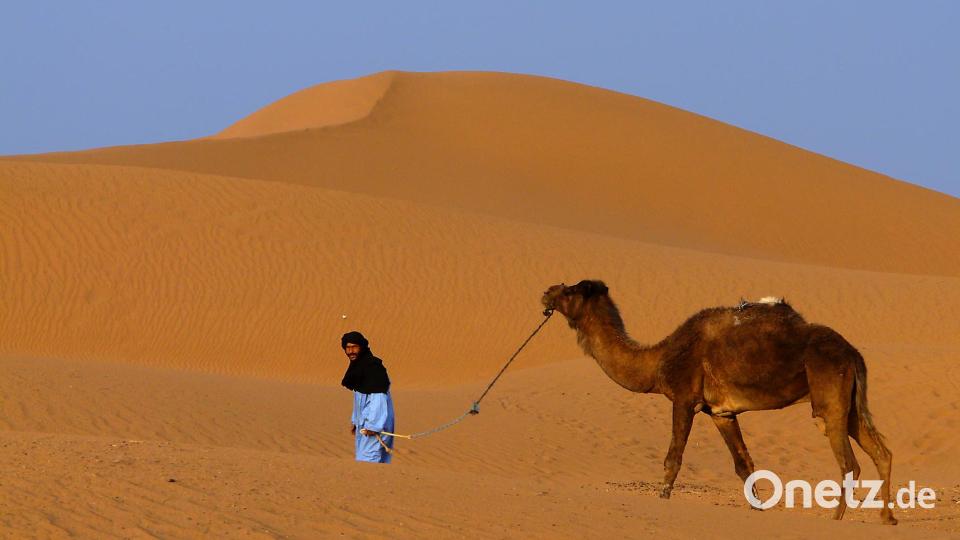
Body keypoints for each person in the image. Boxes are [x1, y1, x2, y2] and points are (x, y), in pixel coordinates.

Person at [340, 331, 395, 463]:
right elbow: (359, 398)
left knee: (368, 460)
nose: (351, 351)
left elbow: (378, 399)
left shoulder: (373, 368)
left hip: (375, 425)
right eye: (347, 348)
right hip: (364, 424)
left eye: (354, 347)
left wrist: (373, 426)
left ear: (362, 347)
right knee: (365, 458)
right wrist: (355, 420)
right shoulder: (358, 368)